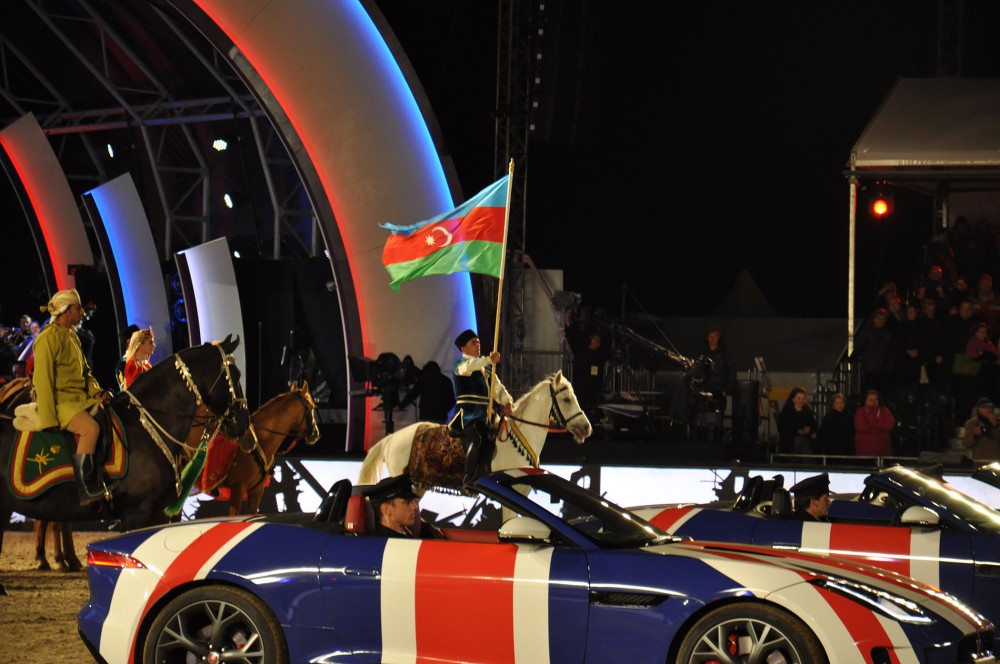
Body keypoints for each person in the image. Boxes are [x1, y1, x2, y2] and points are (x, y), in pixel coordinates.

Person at [32, 289, 110, 505]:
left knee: (109, 417)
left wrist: (96, 392)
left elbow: (85, 373)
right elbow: (43, 381)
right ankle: (85, 490)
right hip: (61, 403)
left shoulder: (72, 335)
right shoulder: (47, 339)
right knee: (90, 429)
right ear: (66, 311)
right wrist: (49, 419)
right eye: (78, 308)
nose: (82, 312)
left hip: (80, 399)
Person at [452, 329, 513, 487]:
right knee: (479, 439)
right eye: (474, 343)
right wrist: (488, 359)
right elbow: (469, 367)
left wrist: (507, 401)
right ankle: (469, 478)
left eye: (478, 342)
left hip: (487, 416)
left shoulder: (486, 369)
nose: (478, 345)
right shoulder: (461, 366)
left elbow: (498, 389)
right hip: (469, 416)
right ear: (463, 349)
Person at [564, 310, 612, 414]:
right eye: (595, 339)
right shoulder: (581, 350)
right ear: (590, 339)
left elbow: (609, 345)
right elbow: (572, 338)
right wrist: (568, 325)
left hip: (595, 388)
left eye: (598, 340)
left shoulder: (601, 354)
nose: (597, 342)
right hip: (582, 387)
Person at [365, 473, 441, 539]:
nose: (415, 507)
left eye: (413, 501)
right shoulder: (384, 544)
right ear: (386, 509)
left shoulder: (408, 537)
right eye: (407, 502)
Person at [852, 308, 894, 395]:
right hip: (871, 370)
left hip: (884, 370)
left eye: (883, 319)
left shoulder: (888, 332)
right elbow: (859, 346)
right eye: (879, 318)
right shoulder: (867, 332)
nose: (881, 321)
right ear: (874, 319)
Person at [854, 389, 895, 457]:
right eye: (871, 400)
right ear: (865, 401)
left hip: (882, 447)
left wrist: (874, 425)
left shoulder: (885, 410)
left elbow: (890, 424)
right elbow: (860, 425)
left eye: (876, 400)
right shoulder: (860, 411)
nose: (873, 402)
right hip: (864, 447)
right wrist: (878, 427)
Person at [776, 387, 817, 455]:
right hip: (790, 443)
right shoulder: (787, 411)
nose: (801, 401)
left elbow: (814, 425)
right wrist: (796, 432)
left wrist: (809, 429)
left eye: (803, 399)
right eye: (798, 398)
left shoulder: (807, 411)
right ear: (793, 399)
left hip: (805, 441)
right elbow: (782, 428)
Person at [962, 397, 1000, 462]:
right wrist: (975, 436)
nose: (988, 410)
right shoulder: (971, 423)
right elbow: (966, 444)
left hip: (995, 460)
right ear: (979, 410)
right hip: (979, 461)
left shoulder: (998, 422)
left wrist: (996, 425)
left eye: (990, 407)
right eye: (984, 407)